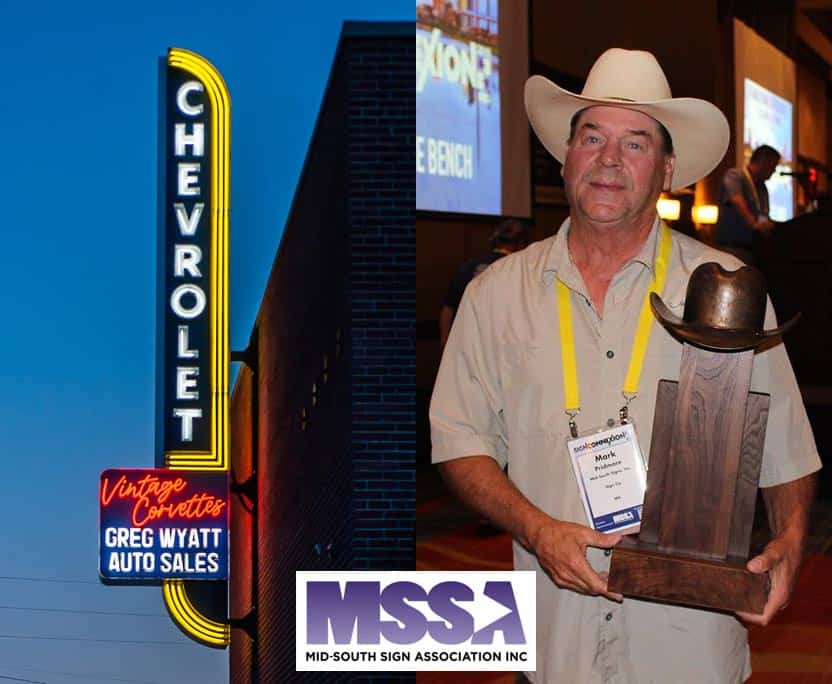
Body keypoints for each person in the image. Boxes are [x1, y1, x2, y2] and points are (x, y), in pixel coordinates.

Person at [430, 48, 820, 683]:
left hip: (690, 654)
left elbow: (788, 454)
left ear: (667, 169)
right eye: (592, 137)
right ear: (567, 156)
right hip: (556, 652)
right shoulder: (495, 294)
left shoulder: (729, 292)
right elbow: (458, 442)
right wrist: (536, 528)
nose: (609, 160)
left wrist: (792, 542)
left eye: (635, 144)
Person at [438, 218, 530, 348]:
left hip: (465, 344)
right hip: (502, 347)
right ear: (522, 243)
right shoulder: (521, 270)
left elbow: (448, 309)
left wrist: (445, 344)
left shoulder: (468, 266)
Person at [715, 144, 781, 263]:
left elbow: (763, 214)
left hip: (754, 250)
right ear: (764, 161)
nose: (774, 170)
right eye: (774, 165)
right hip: (732, 249)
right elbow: (737, 200)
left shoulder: (762, 187)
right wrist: (754, 224)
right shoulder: (735, 176)